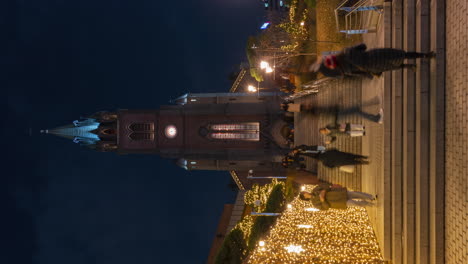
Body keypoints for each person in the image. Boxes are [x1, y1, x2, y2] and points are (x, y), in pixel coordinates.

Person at [310, 43, 436, 79]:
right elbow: (363, 46)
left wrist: (369, 74)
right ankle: (425, 55)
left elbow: (360, 74)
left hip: (373, 67)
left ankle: (408, 67)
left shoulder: (345, 70)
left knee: (392, 66)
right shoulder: (345, 52)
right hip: (374, 55)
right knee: (401, 54)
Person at [299, 183, 376, 210]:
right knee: (355, 203)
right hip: (339, 202)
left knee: (356, 194)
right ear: (305, 197)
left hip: (339, 193)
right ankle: (369, 204)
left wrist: (324, 191)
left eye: (304, 191)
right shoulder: (315, 203)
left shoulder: (315, 190)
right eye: (304, 193)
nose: (305, 192)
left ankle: (371, 197)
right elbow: (325, 207)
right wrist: (322, 200)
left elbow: (325, 185)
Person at [294, 147, 369, 168]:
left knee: (351, 161)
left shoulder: (324, 162)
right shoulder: (326, 152)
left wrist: (335, 165)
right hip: (340, 154)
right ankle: (363, 157)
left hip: (339, 162)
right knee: (352, 156)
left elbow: (330, 167)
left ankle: (362, 162)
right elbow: (333, 149)